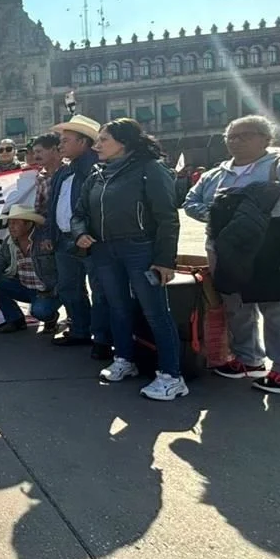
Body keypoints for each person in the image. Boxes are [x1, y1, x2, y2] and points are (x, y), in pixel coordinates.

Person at [71, 118, 186, 401]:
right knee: (117, 307)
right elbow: (79, 213)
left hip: (141, 250)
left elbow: (167, 218)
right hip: (104, 250)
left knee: (156, 311)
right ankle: (124, 359)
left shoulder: (151, 169)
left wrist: (164, 260)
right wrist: (81, 233)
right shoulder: (97, 174)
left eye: (103, 140)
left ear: (124, 142)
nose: (96, 145)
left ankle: (172, 376)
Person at [184, 115, 280, 392]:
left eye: (246, 135)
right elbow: (190, 201)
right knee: (235, 306)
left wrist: (255, 219)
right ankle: (247, 359)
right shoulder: (215, 174)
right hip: (223, 250)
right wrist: (216, 218)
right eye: (231, 137)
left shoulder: (277, 166)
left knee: (275, 309)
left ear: (266, 139)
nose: (236, 141)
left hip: (269, 248)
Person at [47, 115, 112, 359]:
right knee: (69, 288)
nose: (60, 145)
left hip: (89, 240)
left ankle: (103, 338)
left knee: (99, 289)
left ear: (84, 142)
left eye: (66, 140)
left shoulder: (96, 170)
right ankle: (80, 329)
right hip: (64, 239)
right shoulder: (64, 172)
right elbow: (54, 206)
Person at [0, 205, 61, 333]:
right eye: (10, 223)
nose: (11, 226)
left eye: (15, 223)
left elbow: (62, 269)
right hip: (25, 287)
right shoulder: (10, 241)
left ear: (29, 224)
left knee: (40, 312)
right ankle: (15, 320)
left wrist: (56, 290)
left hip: (48, 292)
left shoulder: (44, 241)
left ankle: (51, 318)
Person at [29, 133, 61, 216]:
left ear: (54, 149)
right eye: (34, 153)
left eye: (39, 151)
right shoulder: (40, 178)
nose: (35, 156)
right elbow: (37, 208)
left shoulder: (70, 171)